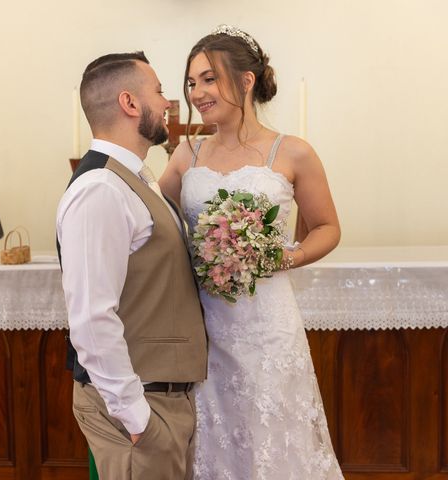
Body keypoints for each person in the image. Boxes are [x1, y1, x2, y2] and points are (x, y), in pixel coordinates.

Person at [159, 25, 343, 479]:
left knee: (274, 436)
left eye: (209, 79)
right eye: (191, 81)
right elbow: (152, 222)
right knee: (215, 439)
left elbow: (327, 227)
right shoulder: (187, 155)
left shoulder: (292, 152)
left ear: (246, 81)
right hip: (206, 326)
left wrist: (282, 257)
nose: (197, 92)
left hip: (268, 326)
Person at [56, 51, 208, 480]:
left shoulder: (134, 178)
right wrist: (137, 419)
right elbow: (91, 317)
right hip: (139, 408)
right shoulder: (101, 189)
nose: (168, 103)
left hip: (160, 399)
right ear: (129, 103)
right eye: (158, 92)